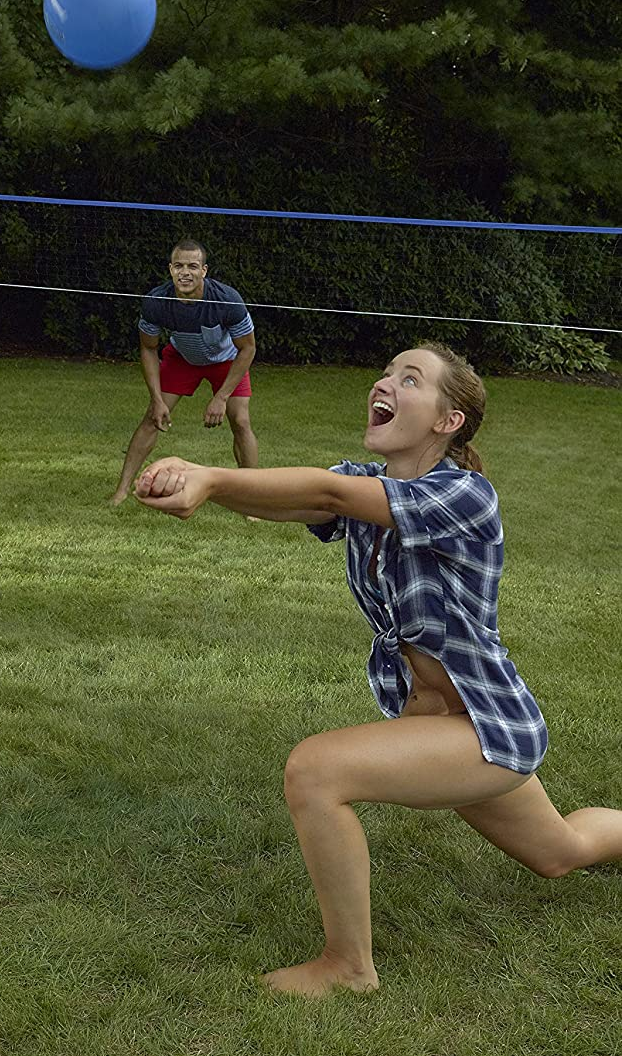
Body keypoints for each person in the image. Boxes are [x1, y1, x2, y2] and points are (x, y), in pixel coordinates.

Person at [134, 341, 622, 996]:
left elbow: (327, 491)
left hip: (486, 728)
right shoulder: (368, 487)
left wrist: (212, 477)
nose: (384, 383)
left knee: (316, 771)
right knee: (560, 852)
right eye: (387, 373)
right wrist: (195, 483)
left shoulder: (465, 495)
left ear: (448, 420)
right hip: (438, 728)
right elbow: (300, 500)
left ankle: (348, 968)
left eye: (410, 379)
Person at [109, 239, 258, 505]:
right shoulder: (157, 301)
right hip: (183, 358)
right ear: (170, 269)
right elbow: (148, 348)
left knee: (241, 420)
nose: (185, 273)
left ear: (204, 271)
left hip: (226, 360)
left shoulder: (227, 300)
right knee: (152, 417)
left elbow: (247, 349)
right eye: (179, 266)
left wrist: (221, 397)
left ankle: (252, 499)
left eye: (192, 266)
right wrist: (156, 399)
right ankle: (121, 492)